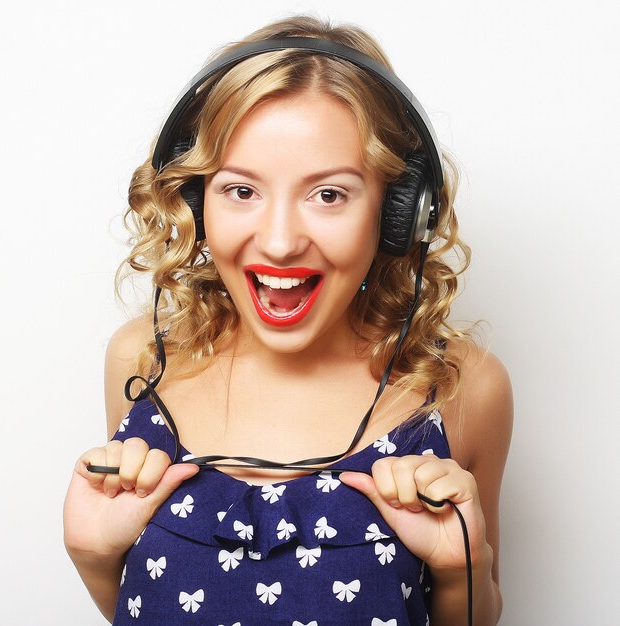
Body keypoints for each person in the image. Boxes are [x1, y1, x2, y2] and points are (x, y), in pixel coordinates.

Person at [64, 15, 512, 626]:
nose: (278, 243)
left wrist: (462, 570)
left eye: (328, 194)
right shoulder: (142, 361)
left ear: (400, 212)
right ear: (196, 201)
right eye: (241, 191)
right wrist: (94, 559)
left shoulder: (464, 388)